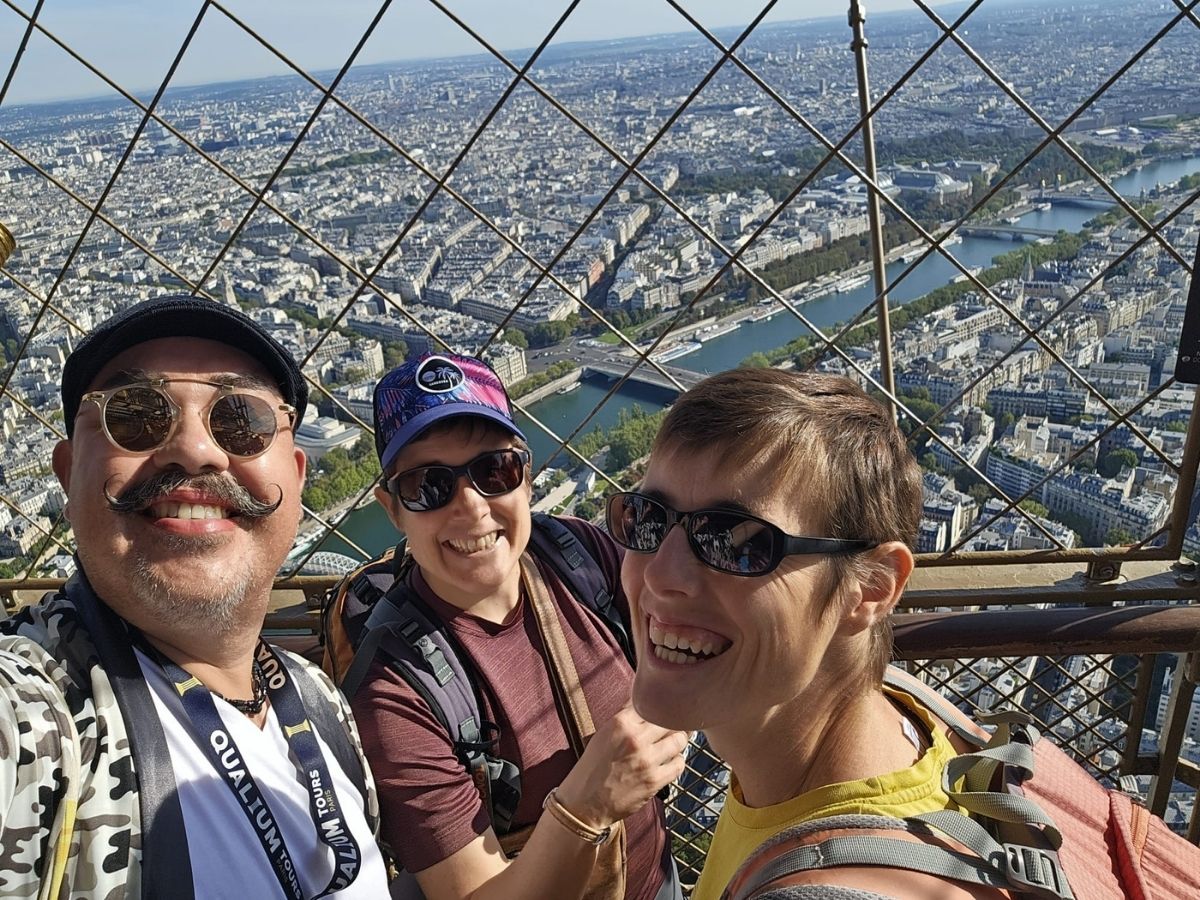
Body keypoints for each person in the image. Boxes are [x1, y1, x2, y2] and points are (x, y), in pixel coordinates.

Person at [0, 295, 390, 899]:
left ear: (297, 473)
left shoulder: (321, 704)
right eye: (133, 416)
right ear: (66, 471)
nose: (196, 449)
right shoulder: (37, 725)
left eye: (242, 420)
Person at [608, 368, 1004, 900]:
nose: (658, 575)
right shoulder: (916, 716)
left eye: (737, 542)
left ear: (871, 589)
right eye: (647, 520)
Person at [350, 351, 687, 900]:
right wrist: (586, 806)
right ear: (393, 509)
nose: (472, 507)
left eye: (494, 471)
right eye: (428, 486)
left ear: (526, 480)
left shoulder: (579, 553)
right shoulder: (393, 694)